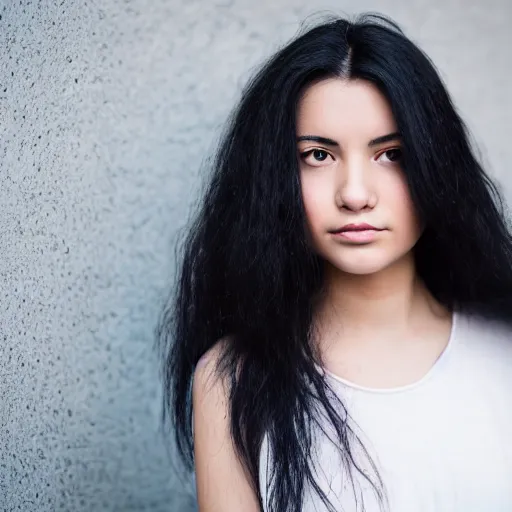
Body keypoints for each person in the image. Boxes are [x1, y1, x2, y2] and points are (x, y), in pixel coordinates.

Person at [157, 12, 512, 512]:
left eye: (391, 154)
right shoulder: (231, 382)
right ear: (274, 175)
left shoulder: (503, 350)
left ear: (436, 163)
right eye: (318, 156)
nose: (355, 194)